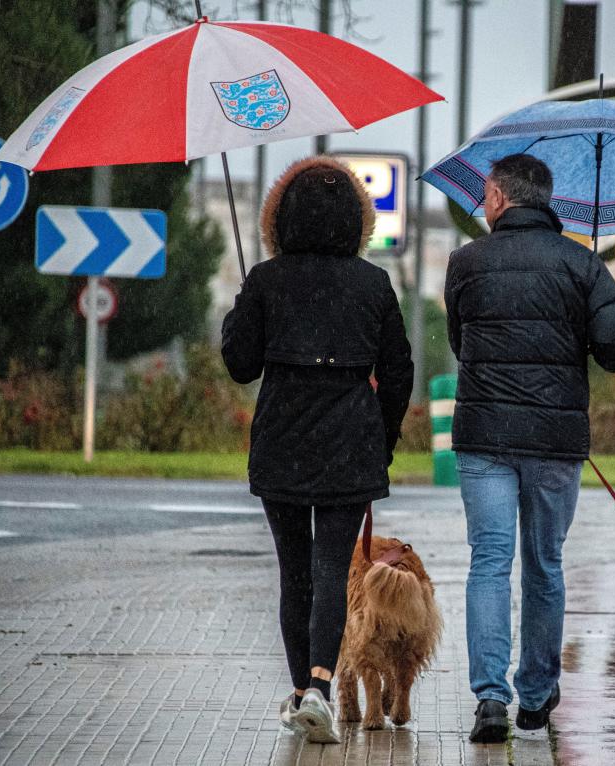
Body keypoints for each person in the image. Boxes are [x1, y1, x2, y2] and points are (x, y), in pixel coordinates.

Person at [444, 154, 615, 743]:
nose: (483, 205)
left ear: (501, 200)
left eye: (485, 196)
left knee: (489, 561)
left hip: (484, 435)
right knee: (544, 564)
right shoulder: (580, 264)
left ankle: (489, 699)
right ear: (545, 201)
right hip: (555, 440)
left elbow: (462, 343)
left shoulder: (466, 262)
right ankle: (534, 698)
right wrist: (595, 300)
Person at [221, 156, 413, 744]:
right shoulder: (374, 283)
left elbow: (240, 364)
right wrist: (380, 437)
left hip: (282, 438)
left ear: (282, 217)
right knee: (332, 568)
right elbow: (399, 372)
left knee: (295, 571)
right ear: (357, 218)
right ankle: (321, 690)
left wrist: (242, 310)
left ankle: (302, 689)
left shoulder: (266, 280)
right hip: (350, 438)